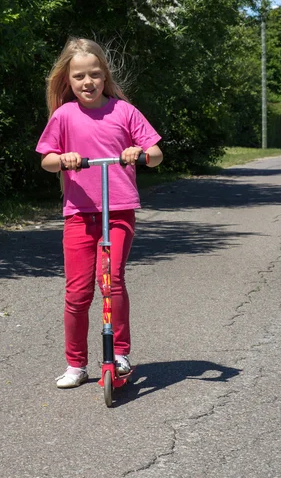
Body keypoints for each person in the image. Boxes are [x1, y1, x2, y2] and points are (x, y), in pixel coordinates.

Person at [36, 37, 163, 388]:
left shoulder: (123, 111)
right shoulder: (64, 116)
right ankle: (76, 364)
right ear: (68, 81)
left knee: (112, 281)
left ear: (105, 77)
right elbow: (46, 159)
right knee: (77, 292)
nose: (87, 82)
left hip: (118, 211)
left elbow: (155, 153)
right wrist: (63, 159)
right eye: (79, 76)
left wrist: (140, 152)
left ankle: (119, 354)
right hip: (80, 213)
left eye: (94, 74)